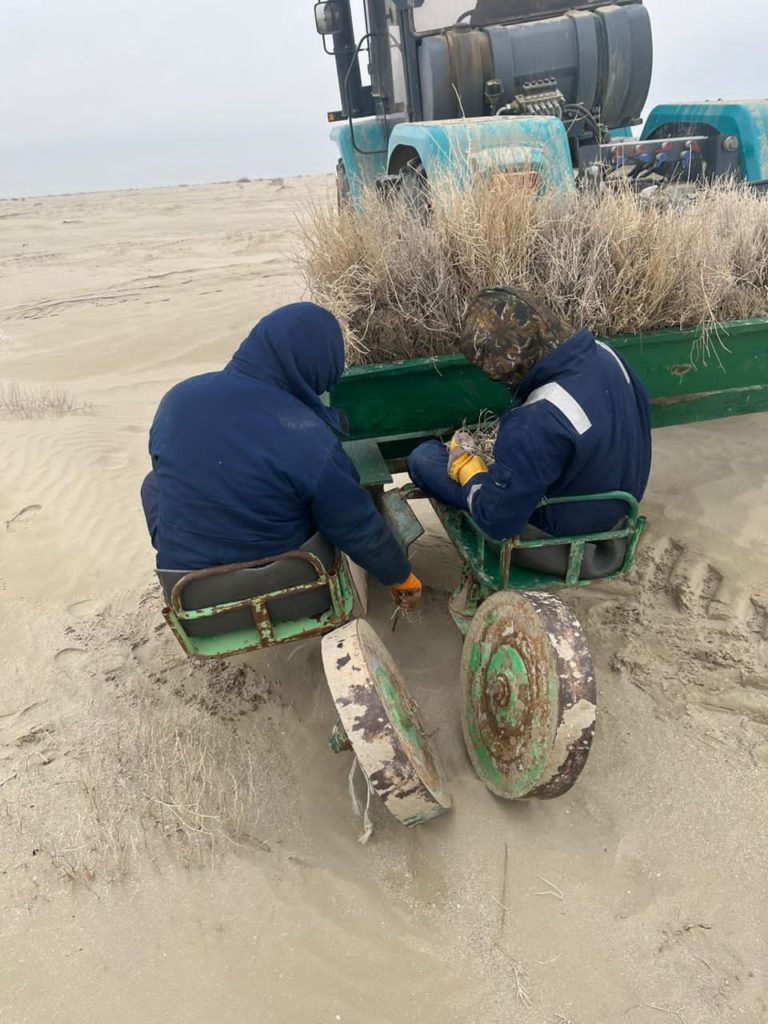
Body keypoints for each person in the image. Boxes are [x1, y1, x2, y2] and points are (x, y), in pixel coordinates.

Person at [141, 302, 421, 609]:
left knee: (155, 483)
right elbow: (355, 525)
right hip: (285, 590)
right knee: (327, 504)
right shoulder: (307, 433)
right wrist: (401, 577)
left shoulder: (177, 400)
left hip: (187, 593)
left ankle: (190, 556)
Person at [406, 287, 651, 567]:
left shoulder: (535, 419)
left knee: (424, 458)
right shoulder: (606, 354)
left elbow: (498, 520)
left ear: (508, 361)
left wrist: (470, 472)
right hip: (620, 504)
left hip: (568, 530)